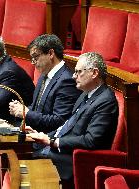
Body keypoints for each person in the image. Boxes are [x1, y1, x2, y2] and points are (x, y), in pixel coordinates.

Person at [28, 52, 119, 185]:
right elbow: (67, 126)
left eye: (78, 72)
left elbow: (90, 140)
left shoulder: (106, 101)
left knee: (20, 170)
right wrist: (43, 136)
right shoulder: (85, 95)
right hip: (58, 153)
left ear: (94, 73)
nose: (73, 76)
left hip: (73, 161)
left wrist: (53, 141)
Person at [9, 34, 81, 132]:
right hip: (33, 132)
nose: (33, 62)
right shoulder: (44, 75)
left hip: (47, 140)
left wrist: (26, 113)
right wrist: (20, 109)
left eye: (35, 57)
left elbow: (59, 121)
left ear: (51, 53)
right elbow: (37, 108)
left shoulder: (67, 80)